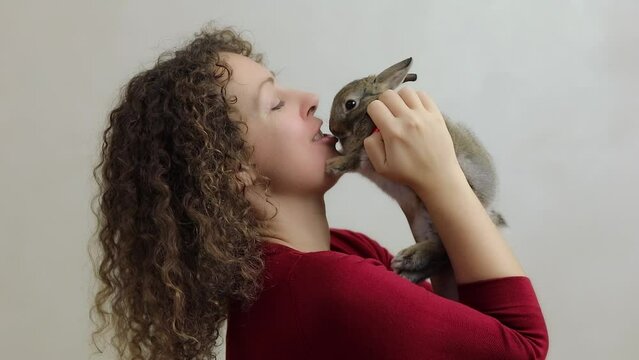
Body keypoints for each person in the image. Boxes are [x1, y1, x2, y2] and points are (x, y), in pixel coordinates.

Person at [90, 25, 549, 360]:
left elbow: (463, 336)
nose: (310, 98)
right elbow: (524, 348)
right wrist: (443, 179)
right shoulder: (329, 286)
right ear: (231, 168)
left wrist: (419, 196)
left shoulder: (342, 253)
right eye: (275, 101)